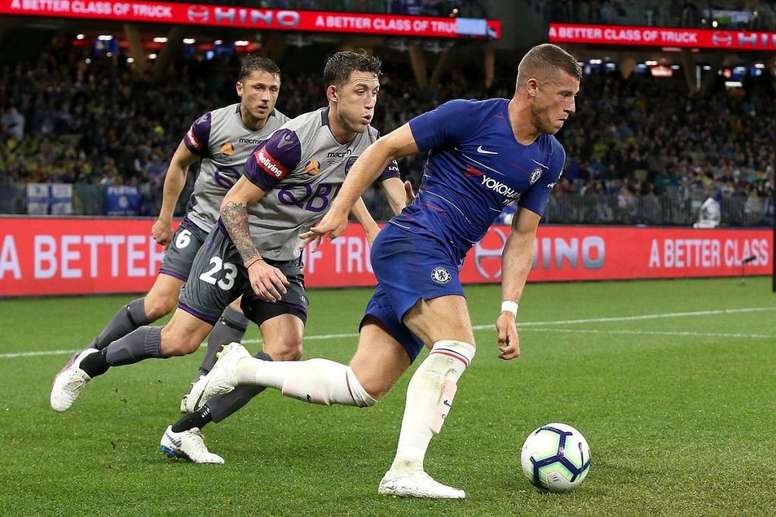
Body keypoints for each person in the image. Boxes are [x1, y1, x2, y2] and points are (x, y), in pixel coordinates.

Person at [189, 43, 581, 498]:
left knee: (362, 385)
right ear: (532, 88)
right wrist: (339, 210)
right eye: (565, 94)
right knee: (455, 344)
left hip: (439, 258)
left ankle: (241, 367)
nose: (571, 107)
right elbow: (385, 147)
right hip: (414, 242)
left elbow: (523, 236)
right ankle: (405, 470)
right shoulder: (471, 117)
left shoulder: (550, 157)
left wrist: (510, 306)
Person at [51, 50, 409, 463]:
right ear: (333, 94)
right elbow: (233, 204)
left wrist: (396, 220)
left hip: (283, 257)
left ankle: (185, 432)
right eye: (360, 91)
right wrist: (253, 262)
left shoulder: (371, 142)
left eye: (375, 93)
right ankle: (90, 362)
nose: (370, 102)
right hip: (234, 247)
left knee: (286, 349)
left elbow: (393, 193)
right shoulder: (293, 140)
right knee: (178, 340)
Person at [50, 55, 289, 415]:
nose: (266, 96)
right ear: (240, 88)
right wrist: (165, 218)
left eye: (273, 89)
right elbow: (179, 163)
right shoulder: (212, 124)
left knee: (238, 307)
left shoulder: (286, 134)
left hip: (241, 239)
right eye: (258, 87)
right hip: (202, 225)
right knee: (160, 303)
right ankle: (87, 356)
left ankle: (202, 385)